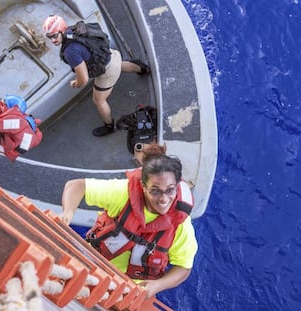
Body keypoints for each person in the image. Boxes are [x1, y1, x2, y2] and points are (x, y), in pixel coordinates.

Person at [60, 153, 198, 298]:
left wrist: (158, 285)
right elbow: (77, 186)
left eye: (170, 190)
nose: (164, 199)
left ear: (177, 186)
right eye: (155, 191)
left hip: (128, 290)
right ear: (143, 187)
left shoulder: (181, 225)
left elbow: (184, 266)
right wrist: (67, 213)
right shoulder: (123, 194)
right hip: (90, 262)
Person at [42, 15, 150, 137]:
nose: (52, 40)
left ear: (62, 31)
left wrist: (76, 83)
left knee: (99, 100)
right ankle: (142, 68)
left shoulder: (70, 52)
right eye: (49, 37)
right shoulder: (75, 29)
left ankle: (109, 126)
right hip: (111, 55)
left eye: (54, 36)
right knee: (118, 64)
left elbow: (83, 79)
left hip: (107, 71)